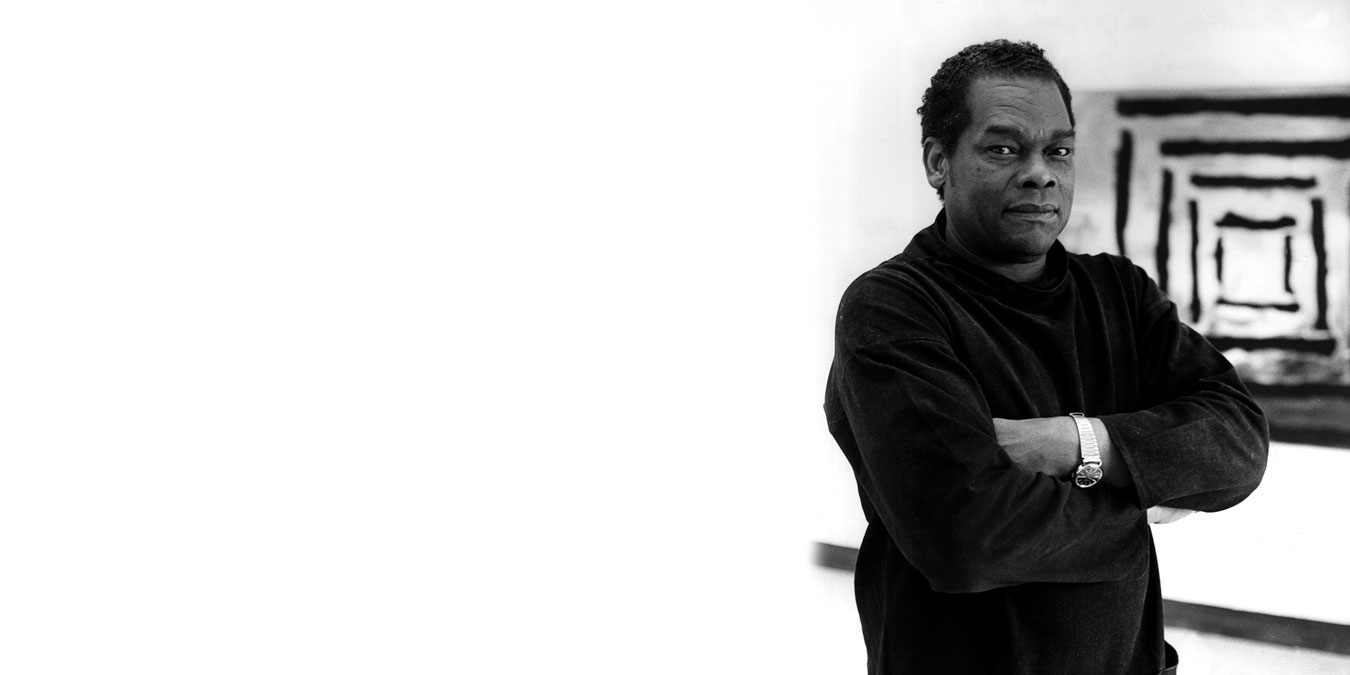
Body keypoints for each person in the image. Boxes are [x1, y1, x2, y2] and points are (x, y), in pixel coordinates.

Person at [823, 39, 1268, 675]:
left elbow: (1240, 447)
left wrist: (1074, 445)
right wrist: (1143, 496)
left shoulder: (1119, 293)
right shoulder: (891, 307)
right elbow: (966, 537)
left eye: (1058, 150)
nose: (1040, 173)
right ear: (938, 162)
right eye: (1003, 149)